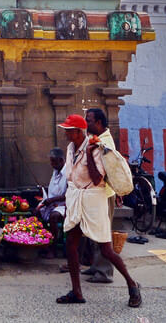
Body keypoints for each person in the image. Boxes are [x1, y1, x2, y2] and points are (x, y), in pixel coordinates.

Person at [57, 113, 141, 308]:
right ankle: (77, 292)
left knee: (106, 250)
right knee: (71, 244)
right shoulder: (70, 148)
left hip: (94, 199)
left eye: (68, 130)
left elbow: (97, 179)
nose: (66, 134)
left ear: (78, 132)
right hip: (77, 198)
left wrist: (88, 153)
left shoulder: (96, 148)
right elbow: (71, 176)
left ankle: (132, 284)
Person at [78, 108, 118, 284]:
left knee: (102, 233)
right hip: (96, 193)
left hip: (103, 193)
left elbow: (100, 175)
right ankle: (96, 266)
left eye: (89, 121)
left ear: (99, 123)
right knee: (95, 231)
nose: (86, 124)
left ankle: (104, 272)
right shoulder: (96, 139)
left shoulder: (104, 143)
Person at [38, 148, 67, 234]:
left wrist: (52, 200)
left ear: (61, 160)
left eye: (53, 161)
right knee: (36, 211)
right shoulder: (55, 171)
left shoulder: (69, 172)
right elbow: (54, 189)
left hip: (64, 206)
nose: (51, 164)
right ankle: (42, 236)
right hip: (51, 204)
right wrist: (43, 190)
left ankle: (54, 239)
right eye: (51, 161)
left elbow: (68, 195)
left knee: (53, 216)